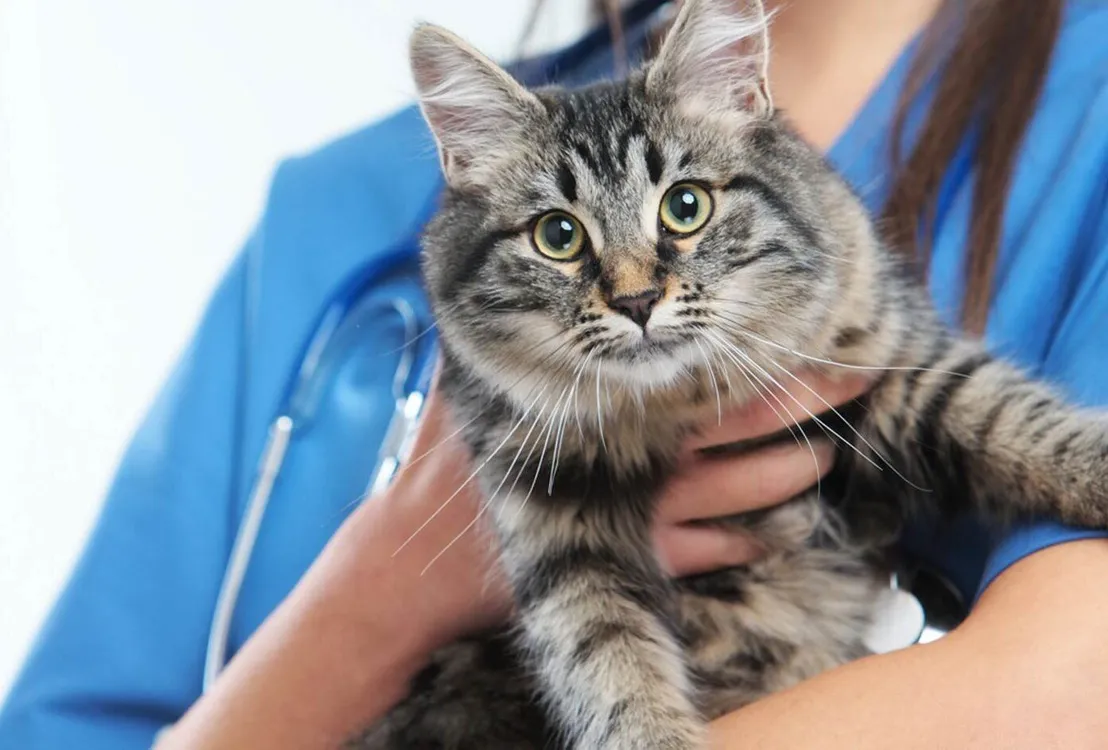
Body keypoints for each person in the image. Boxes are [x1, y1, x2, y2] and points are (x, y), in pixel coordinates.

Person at [3, 0, 1108, 747]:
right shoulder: (334, 215)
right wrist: (375, 599)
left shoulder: (1083, 101)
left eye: (683, 211)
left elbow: (1076, 686)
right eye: (569, 240)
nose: (634, 287)